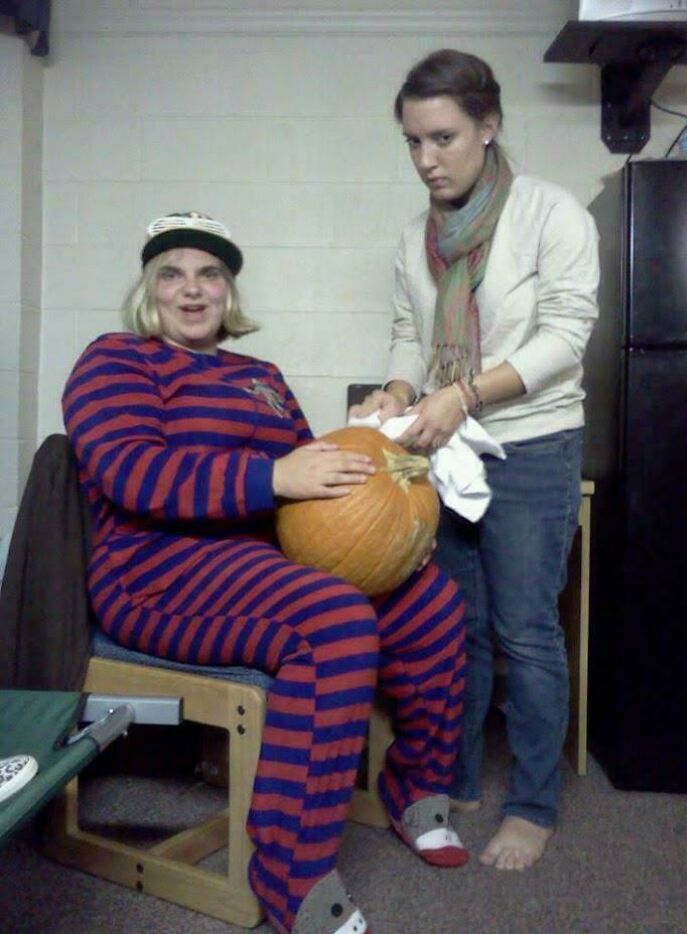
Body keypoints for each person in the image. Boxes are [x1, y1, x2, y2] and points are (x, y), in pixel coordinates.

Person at [62, 211, 470, 934]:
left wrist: (397, 517)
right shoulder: (117, 360)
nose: (193, 290)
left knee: (429, 600)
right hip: (155, 572)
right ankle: (289, 873)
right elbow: (133, 473)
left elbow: (311, 479)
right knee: (333, 622)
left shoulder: (261, 377)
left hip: (262, 562)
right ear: (149, 289)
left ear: (229, 290)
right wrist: (271, 476)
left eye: (210, 274)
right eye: (172, 274)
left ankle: (416, 786)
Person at [351, 50, 599, 871]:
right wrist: (397, 389)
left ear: (488, 126)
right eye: (412, 141)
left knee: (524, 629)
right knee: (458, 627)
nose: (426, 159)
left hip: (533, 445)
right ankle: (454, 780)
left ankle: (531, 806)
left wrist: (463, 394)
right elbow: (409, 334)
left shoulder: (551, 214)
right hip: (449, 451)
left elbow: (565, 338)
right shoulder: (413, 238)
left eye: (444, 138)